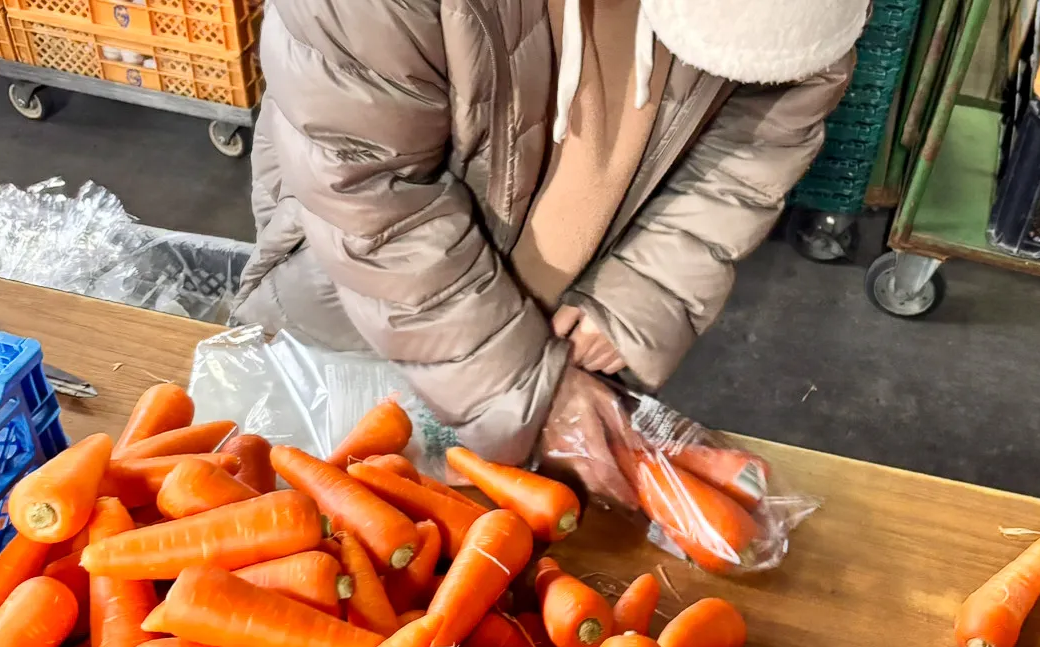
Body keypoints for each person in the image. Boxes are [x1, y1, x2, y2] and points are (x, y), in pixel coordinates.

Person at [234, 0, 867, 494]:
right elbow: (370, 194)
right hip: (361, 296)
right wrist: (525, 387)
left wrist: (642, 289)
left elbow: (758, 143)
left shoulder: (807, 32)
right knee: (305, 495)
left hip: (558, 321)